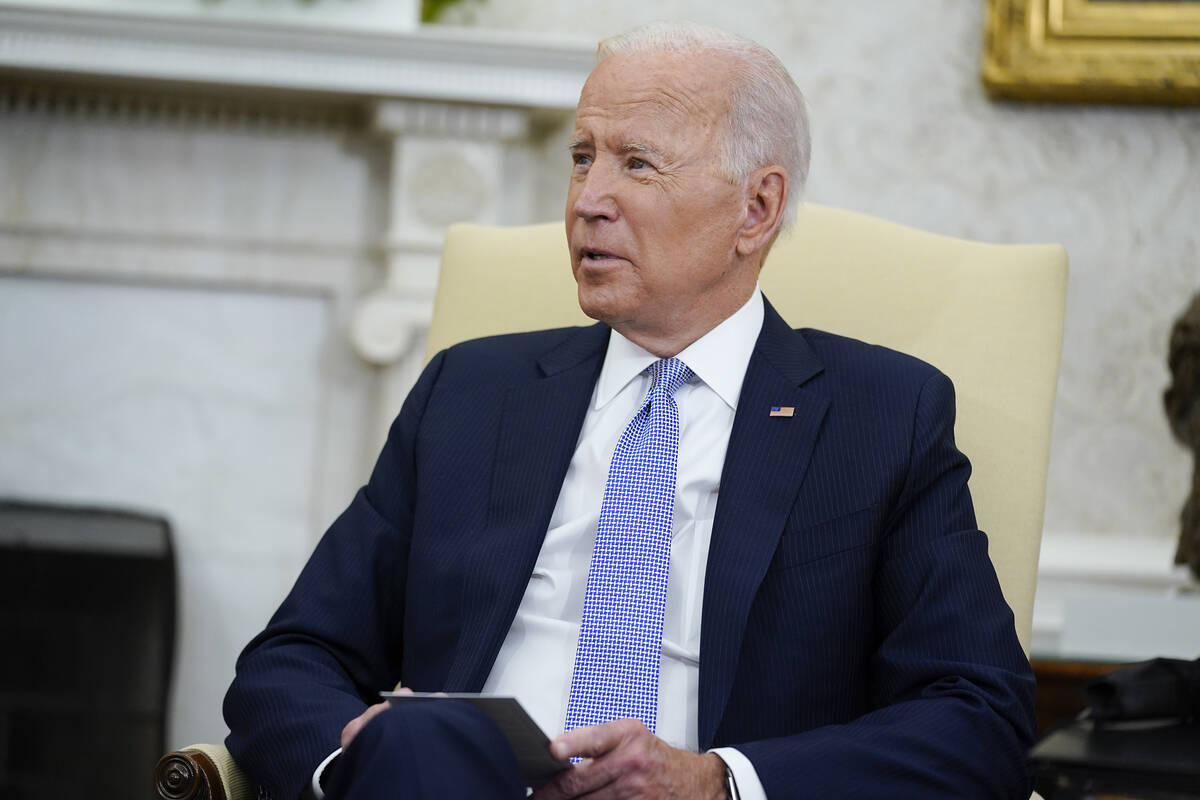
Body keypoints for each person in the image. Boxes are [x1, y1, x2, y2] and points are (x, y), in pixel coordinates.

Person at [224, 21, 1037, 800]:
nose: (588, 200)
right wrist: (364, 768)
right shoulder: (471, 393)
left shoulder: (881, 417)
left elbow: (980, 720)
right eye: (583, 158)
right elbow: (292, 659)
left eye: (638, 164)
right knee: (423, 742)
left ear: (756, 209)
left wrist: (715, 783)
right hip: (457, 785)